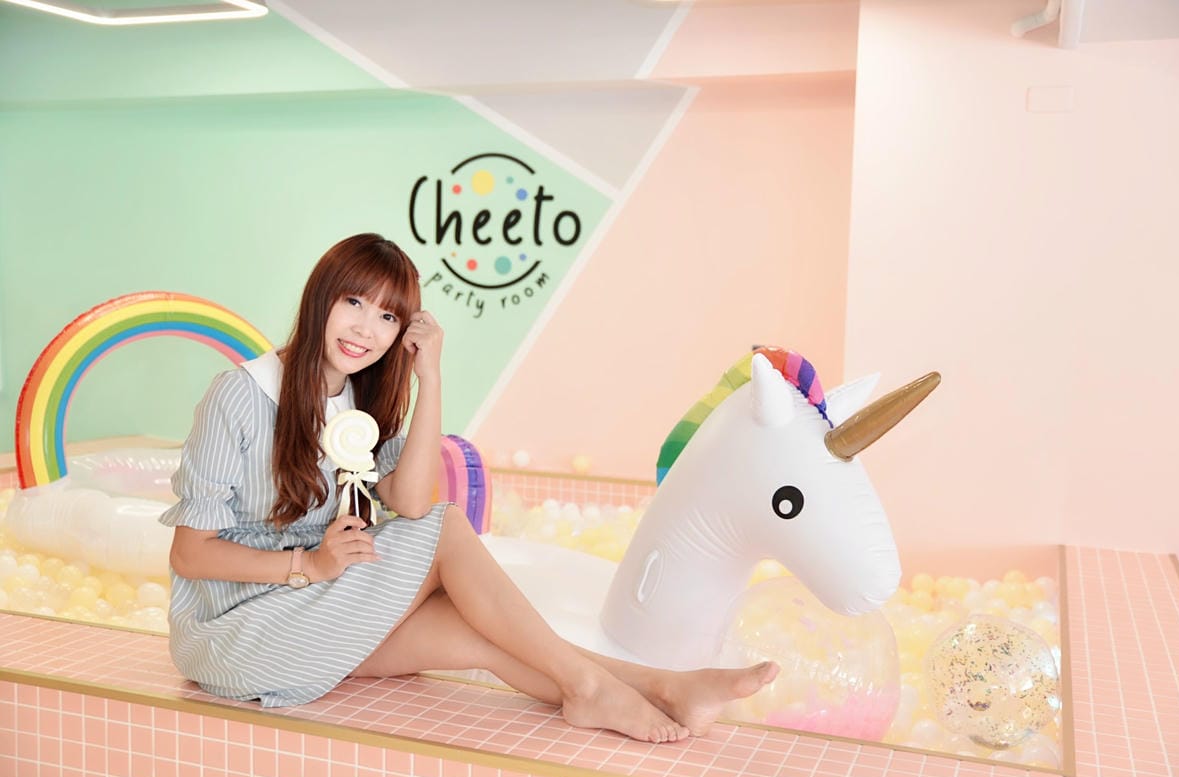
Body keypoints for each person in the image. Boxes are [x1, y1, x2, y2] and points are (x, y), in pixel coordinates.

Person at [165, 233, 778, 743]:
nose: (366, 329)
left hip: (306, 616)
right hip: (232, 633)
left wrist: (429, 375)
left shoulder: (357, 398)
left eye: (387, 317)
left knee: (475, 634)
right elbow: (190, 553)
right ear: (321, 297)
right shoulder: (240, 395)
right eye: (354, 302)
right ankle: (593, 687)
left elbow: (410, 501)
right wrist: (312, 565)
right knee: (447, 528)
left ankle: (661, 687)